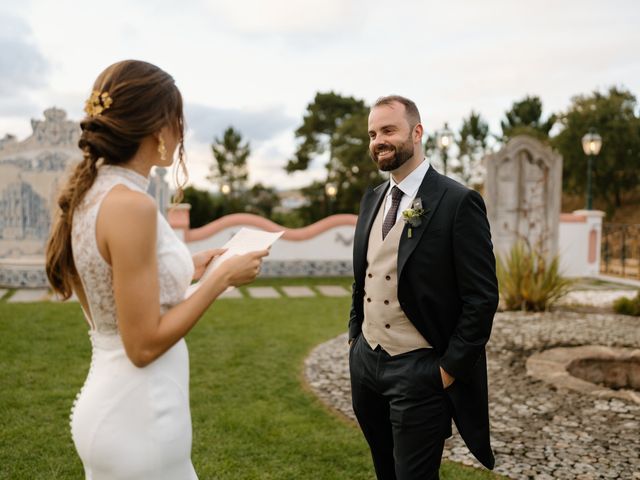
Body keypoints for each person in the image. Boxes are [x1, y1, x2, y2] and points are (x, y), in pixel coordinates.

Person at [45, 60, 268, 479]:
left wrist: (199, 266)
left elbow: (125, 287)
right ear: (159, 126)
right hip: (138, 417)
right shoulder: (132, 206)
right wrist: (219, 280)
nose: (182, 133)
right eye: (178, 120)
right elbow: (143, 345)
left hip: (125, 409)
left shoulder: (95, 194)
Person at [348, 95, 499, 480]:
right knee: (384, 471)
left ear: (417, 133)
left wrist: (446, 370)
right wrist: (355, 342)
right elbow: (360, 277)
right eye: (372, 133)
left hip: (421, 371)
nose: (378, 140)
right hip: (367, 364)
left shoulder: (458, 202)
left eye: (388, 130)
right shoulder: (373, 199)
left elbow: (481, 298)